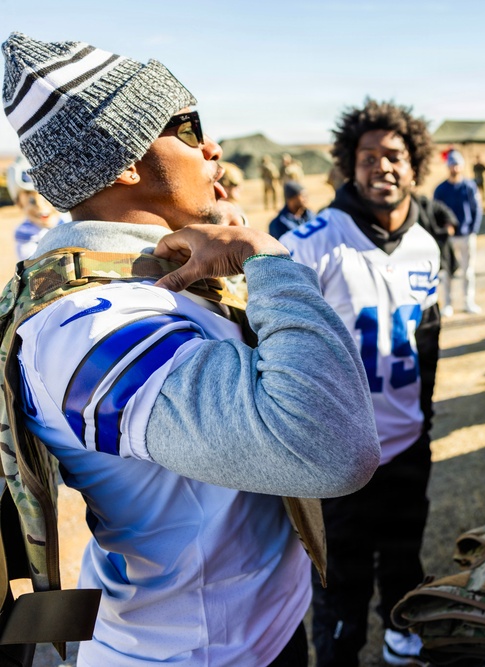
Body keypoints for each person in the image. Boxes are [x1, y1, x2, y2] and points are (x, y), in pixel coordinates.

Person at [0, 31, 381, 665]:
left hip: (252, 625)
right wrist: (268, 258)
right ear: (122, 162)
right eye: (188, 126)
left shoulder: (136, 276)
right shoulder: (91, 325)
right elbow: (332, 447)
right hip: (200, 650)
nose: (214, 147)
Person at [280, 99, 441, 667]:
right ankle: (338, 653)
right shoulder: (314, 241)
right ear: (350, 164)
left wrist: (425, 416)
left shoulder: (427, 242)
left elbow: (427, 340)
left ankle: (402, 637)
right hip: (341, 448)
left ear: (414, 163)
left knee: (404, 553)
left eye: (394, 155)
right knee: (341, 577)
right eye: (368, 156)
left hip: (406, 438)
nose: (383, 167)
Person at [434, 148, 483, 315]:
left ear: (461, 166)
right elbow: (435, 213)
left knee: (467, 271)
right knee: (447, 272)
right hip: (448, 238)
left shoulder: (469, 187)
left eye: (457, 165)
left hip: (467, 235)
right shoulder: (440, 190)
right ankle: (447, 303)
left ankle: (468, 301)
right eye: (451, 165)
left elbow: (477, 209)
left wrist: (472, 230)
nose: (454, 168)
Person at [6, 155, 60, 261]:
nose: (40, 206)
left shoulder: (67, 223)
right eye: (32, 201)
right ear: (19, 204)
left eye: (47, 198)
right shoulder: (26, 235)